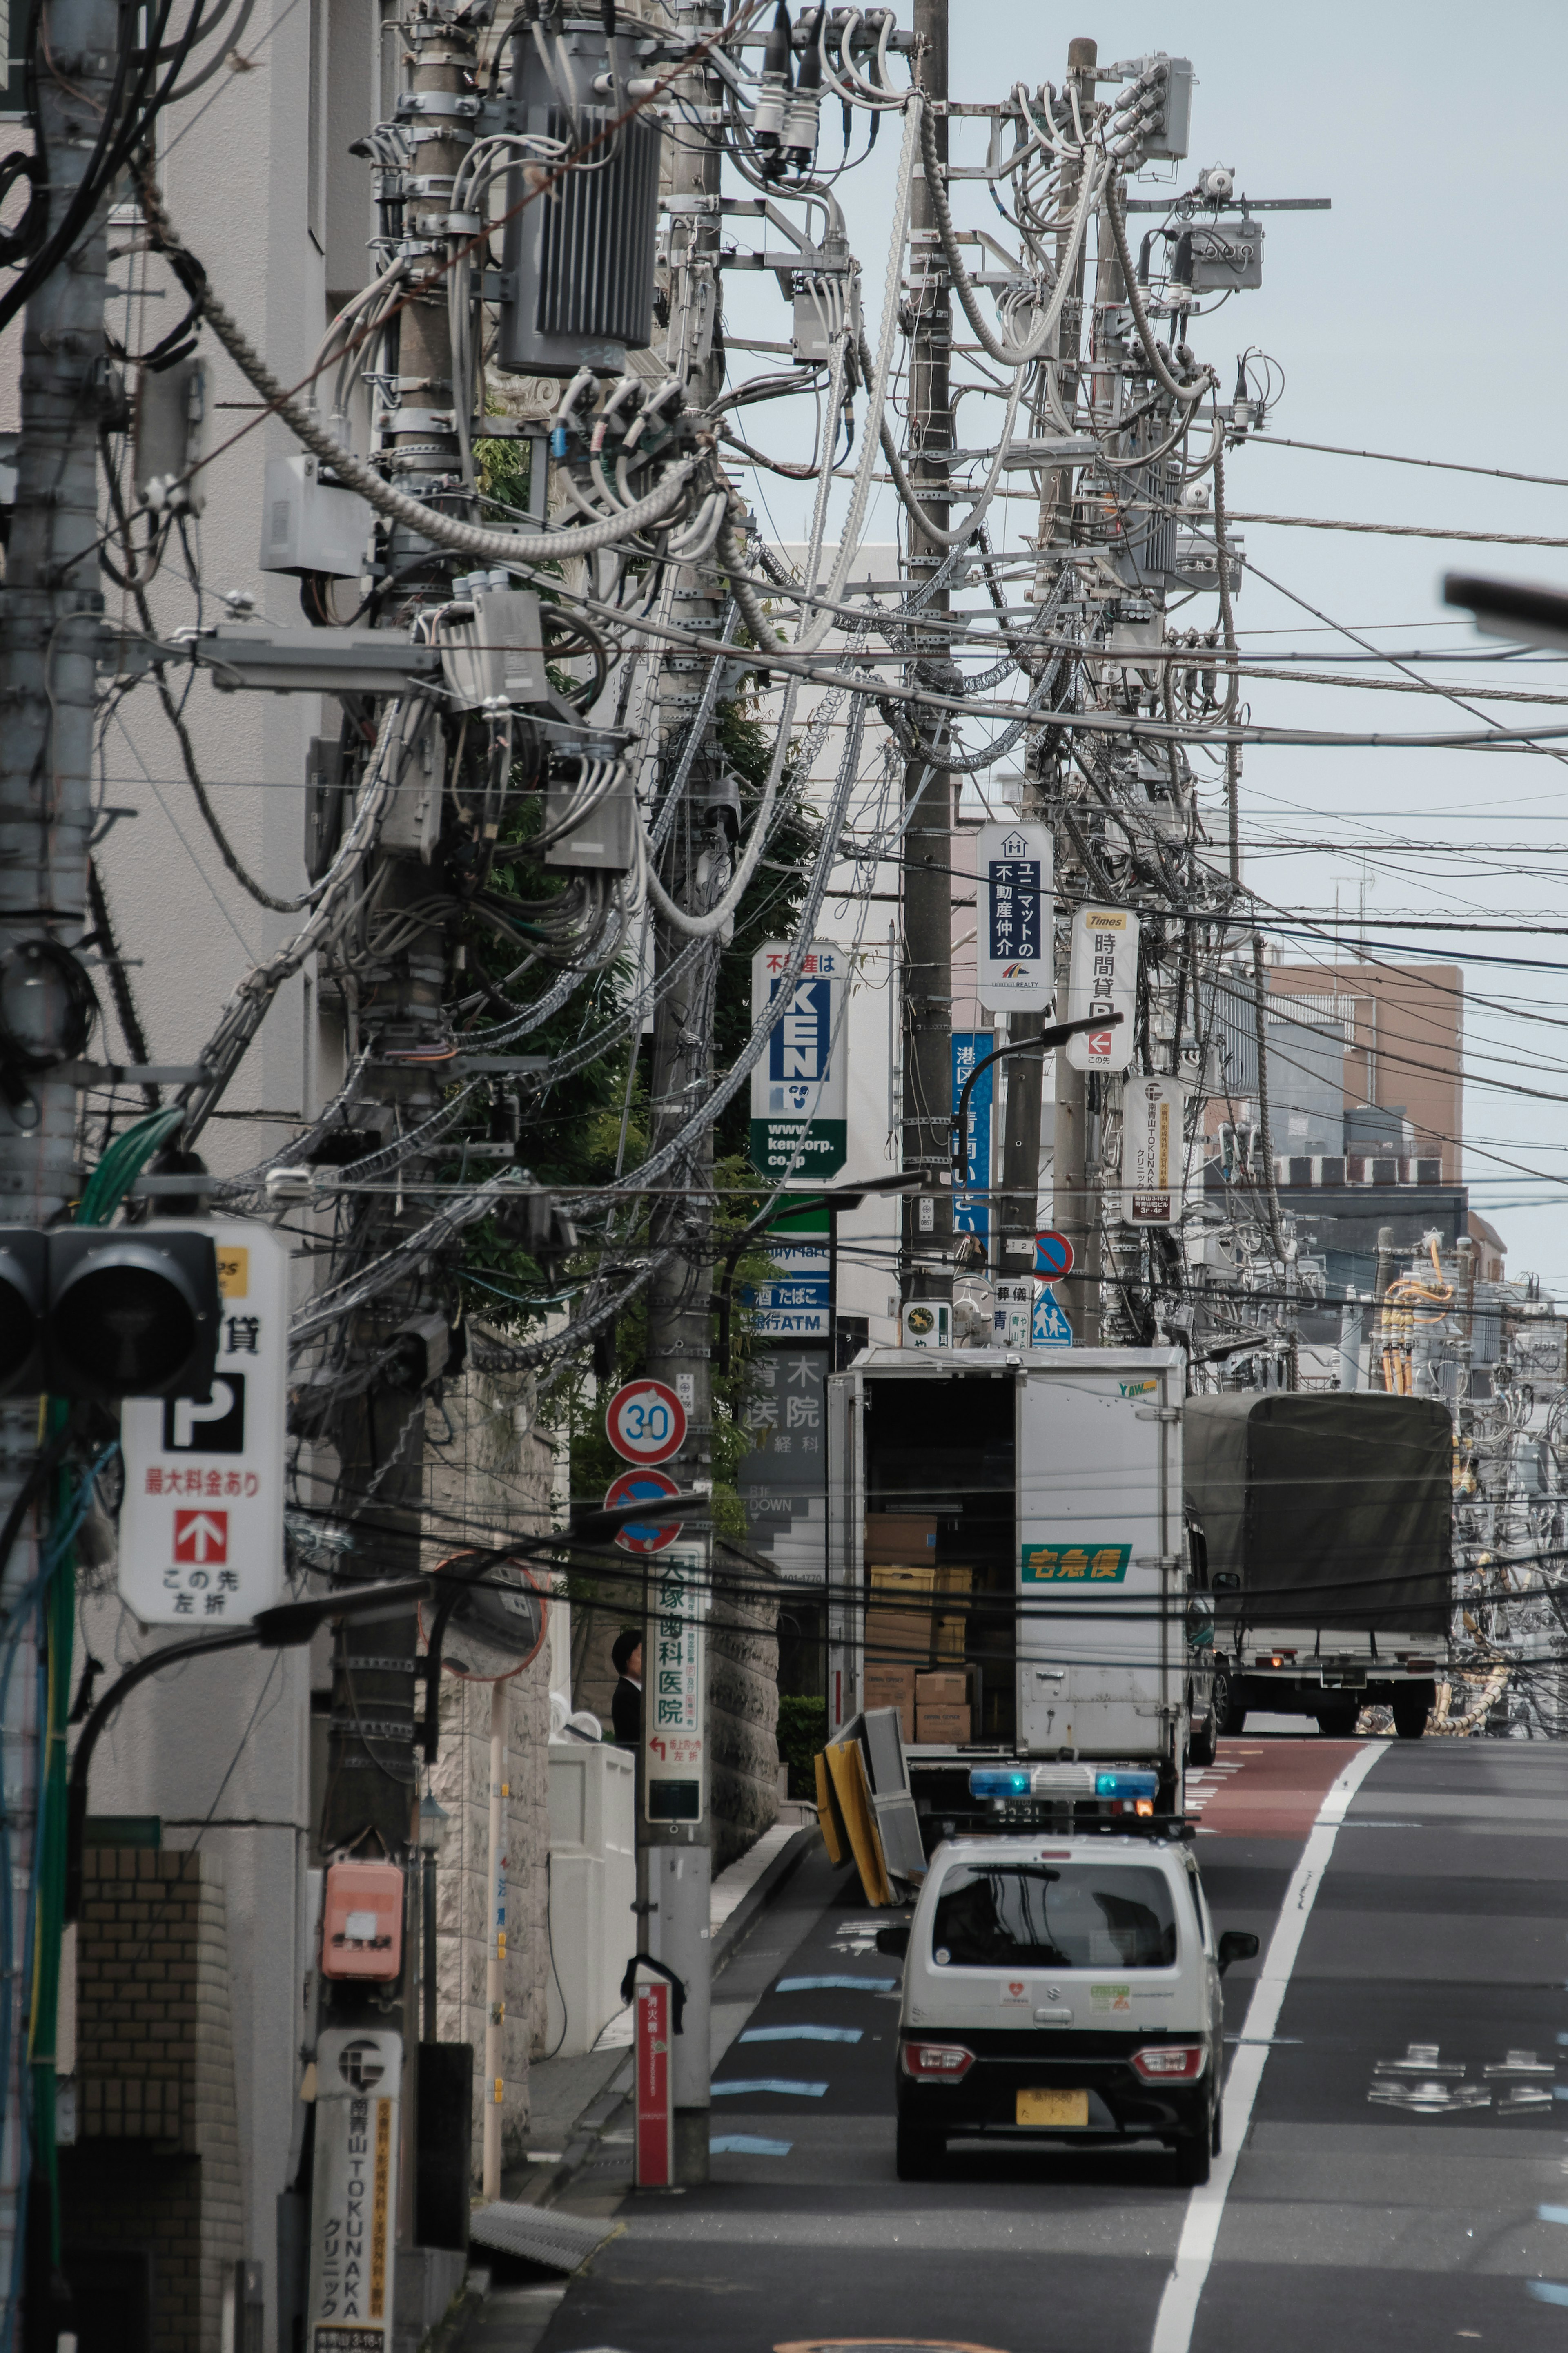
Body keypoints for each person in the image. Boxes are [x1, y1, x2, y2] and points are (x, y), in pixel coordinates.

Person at [610, 1628, 642, 1748]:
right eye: (641, 1656)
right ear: (626, 1659)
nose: (647, 1661)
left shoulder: (638, 1692)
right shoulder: (626, 1696)